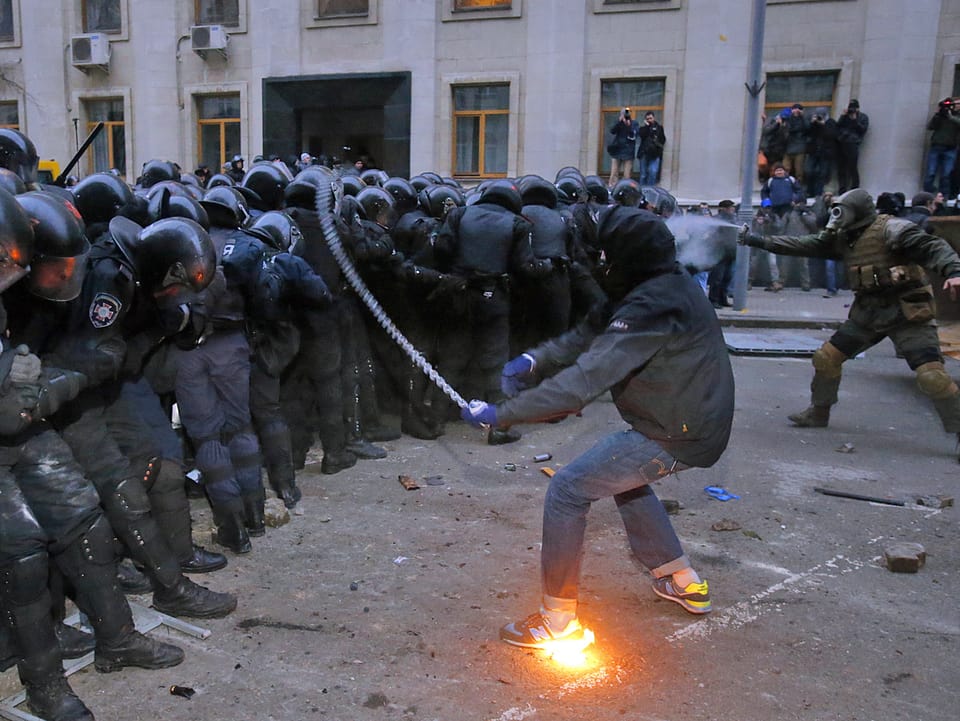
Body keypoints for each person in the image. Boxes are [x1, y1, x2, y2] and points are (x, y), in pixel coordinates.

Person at [461, 202, 734, 648]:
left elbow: (583, 382)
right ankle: (680, 578)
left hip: (676, 432)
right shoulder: (655, 282)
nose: (594, 261)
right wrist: (534, 360)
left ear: (619, 255)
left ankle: (557, 624)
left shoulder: (653, 304)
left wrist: (500, 414)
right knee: (620, 477)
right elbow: (589, 330)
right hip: (683, 421)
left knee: (568, 489)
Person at [740, 188, 960, 461]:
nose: (837, 215)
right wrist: (757, 240)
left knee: (932, 377)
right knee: (826, 358)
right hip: (868, 314)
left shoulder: (893, 229)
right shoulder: (843, 237)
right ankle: (819, 412)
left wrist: (954, 272)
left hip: (907, 313)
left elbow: (934, 248)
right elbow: (803, 244)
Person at [923, 98, 960, 195]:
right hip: (937, 146)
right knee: (931, 172)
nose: (957, 106)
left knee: (946, 174)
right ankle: (928, 194)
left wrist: (951, 117)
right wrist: (938, 114)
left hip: (950, 148)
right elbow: (930, 127)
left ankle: (944, 196)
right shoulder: (941, 116)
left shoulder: (956, 116)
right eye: (955, 104)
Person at [835, 99, 868, 193]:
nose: (852, 110)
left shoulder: (862, 117)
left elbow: (862, 130)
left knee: (852, 167)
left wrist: (854, 120)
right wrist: (843, 116)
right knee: (841, 168)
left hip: (853, 143)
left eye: (854, 108)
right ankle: (842, 189)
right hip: (842, 142)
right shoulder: (845, 116)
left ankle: (855, 188)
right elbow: (838, 126)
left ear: (858, 108)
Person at [804, 107, 838, 198]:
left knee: (822, 173)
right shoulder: (814, 123)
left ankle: (818, 192)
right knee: (809, 171)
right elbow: (808, 133)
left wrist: (823, 125)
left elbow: (832, 136)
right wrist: (812, 123)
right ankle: (809, 191)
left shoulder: (831, 122)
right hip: (814, 150)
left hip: (825, 152)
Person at [606, 107, 638, 187]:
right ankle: (612, 188)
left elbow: (634, 135)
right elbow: (612, 131)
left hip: (628, 152)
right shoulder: (619, 122)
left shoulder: (634, 123)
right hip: (617, 150)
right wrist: (619, 122)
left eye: (627, 114)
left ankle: (625, 188)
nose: (626, 116)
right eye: (624, 114)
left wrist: (629, 126)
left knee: (627, 174)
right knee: (614, 172)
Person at [782, 103, 810, 186]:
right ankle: (784, 184)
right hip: (788, 147)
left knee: (799, 170)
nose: (796, 111)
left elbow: (808, 127)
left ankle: (798, 186)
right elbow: (788, 129)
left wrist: (802, 116)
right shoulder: (788, 119)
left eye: (798, 109)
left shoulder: (804, 119)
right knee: (785, 168)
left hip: (800, 148)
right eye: (794, 109)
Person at [636, 111, 666, 186]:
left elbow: (663, 139)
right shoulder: (643, 128)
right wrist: (647, 127)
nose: (649, 120)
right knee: (643, 174)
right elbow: (642, 135)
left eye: (650, 118)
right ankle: (642, 191)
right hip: (644, 153)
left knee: (653, 172)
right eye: (647, 119)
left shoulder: (659, 128)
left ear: (654, 118)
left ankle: (650, 190)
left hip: (655, 154)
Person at [758, 110, 789, 183]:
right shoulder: (771, 121)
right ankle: (763, 178)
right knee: (763, 165)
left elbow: (785, 138)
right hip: (767, 149)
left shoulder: (785, 125)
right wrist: (777, 124)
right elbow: (767, 131)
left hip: (777, 151)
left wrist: (783, 126)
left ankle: (771, 181)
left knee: (774, 168)